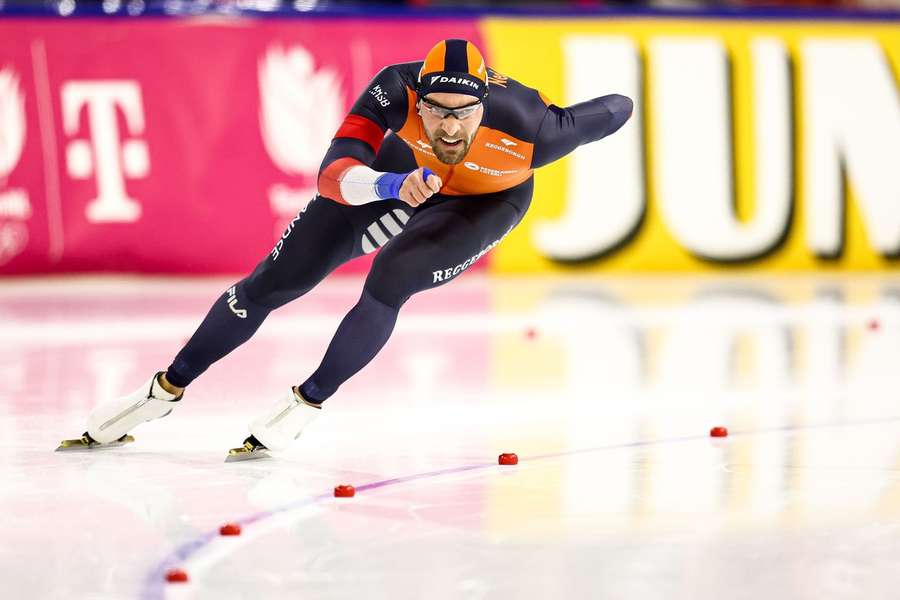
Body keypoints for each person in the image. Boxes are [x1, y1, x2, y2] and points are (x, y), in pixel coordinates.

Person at [58, 39, 633, 460]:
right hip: (399, 173)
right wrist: (389, 187)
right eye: (435, 111)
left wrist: (570, 115)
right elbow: (332, 174)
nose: (450, 128)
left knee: (392, 274)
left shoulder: (536, 127)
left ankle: (306, 402)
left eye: (464, 114)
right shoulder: (391, 87)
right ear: (416, 99)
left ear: (486, 105)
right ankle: (165, 389)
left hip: (484, 204)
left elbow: (617, 108)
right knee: (274, 282)